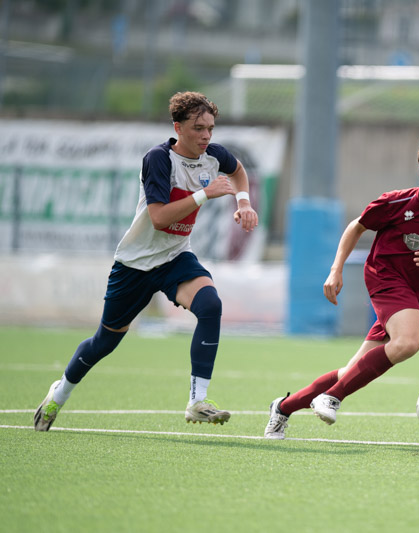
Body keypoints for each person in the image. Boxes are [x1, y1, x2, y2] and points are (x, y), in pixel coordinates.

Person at [34, 91, 258, 431]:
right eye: (198, 128)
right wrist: (204, 194)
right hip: (135, 265)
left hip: (175, 257)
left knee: (210, 305)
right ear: (178, 128)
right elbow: (159, 218)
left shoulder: (214, 155)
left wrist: (243, 202)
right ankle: (59, 393)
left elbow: (238, 171)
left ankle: (197, 401)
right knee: (104, 342)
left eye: (211, 128)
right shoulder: (158, 159)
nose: (206, 136)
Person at [264, 133, 419, 439]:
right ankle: (332, 398)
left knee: (351, 370)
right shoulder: (396, 202)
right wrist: (335, 270)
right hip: (385, 278)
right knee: (409, 342)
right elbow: (357, 227)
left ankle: (283, 407)